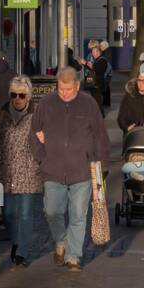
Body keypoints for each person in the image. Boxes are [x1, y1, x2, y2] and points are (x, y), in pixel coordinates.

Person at [31, 66, 107, 272]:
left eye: (68, 90)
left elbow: (100, 135)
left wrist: (100, 165)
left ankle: (73, 256)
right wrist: (41, 157)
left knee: (78, 215)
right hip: (52, 169)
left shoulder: (88, 104)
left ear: (77, 85)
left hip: (81, 169)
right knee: (52, 211)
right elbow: (34, 132)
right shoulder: (46, 104)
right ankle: (61, 241)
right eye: (61, 89)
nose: (64, 93)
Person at [0, 75, 42, 267]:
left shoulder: (37, 115)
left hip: (28, 171)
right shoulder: (1, 115)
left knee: (26, 213)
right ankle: (16, 241)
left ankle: (23, 252)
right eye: (14, 95)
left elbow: (45, 141)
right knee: (9, 213)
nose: (17, 99)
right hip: (6, 172)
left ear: (28, 97)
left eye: (21, 95)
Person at [85, 40, 110, 115]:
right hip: (95, 83)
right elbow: (93, 69)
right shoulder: (98, 60)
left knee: (97, 100)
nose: (92, 53)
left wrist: (86, 63)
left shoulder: (102, 60)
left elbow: (96, 69)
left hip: (97, 84)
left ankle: (100, 115)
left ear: (97, 52)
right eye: (92, 52)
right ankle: (98, 114)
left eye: (93, 52)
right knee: (95, 99)